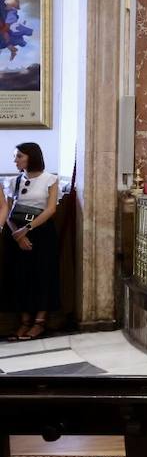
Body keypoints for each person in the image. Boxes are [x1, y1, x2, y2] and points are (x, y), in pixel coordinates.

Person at [1, 143, 60, 341]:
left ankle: (39, 323)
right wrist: (16, 234)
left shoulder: (49, 179)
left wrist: (27, 229)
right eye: (15, 156)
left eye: (19, 156)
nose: (15, 160)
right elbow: (7, 210)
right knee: (19, 276)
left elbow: (51, 209)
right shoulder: (13, 181)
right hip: (15, 233)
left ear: (31, 157)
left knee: (42, 275)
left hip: (40, 232)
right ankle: (24, 322)